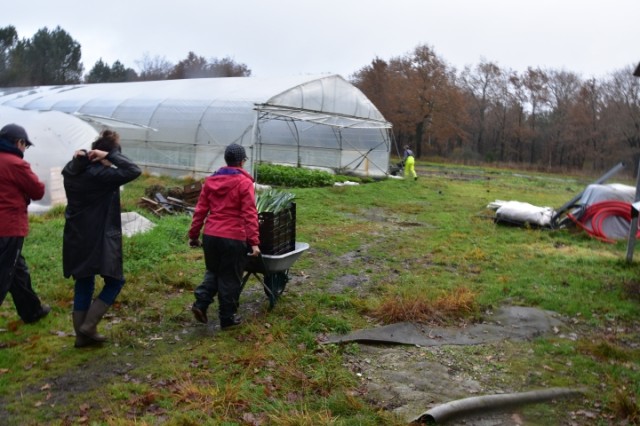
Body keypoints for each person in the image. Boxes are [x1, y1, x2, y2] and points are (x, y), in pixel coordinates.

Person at [61, 129, 141, 347]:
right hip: (98, 236)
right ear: (104, 155)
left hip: (76, 236)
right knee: (116, 281)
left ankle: (81, 337)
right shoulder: (102, 176)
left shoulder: (72, 171)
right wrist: (110, 156)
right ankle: (89, 325)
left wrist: (82, 157)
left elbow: (74, 166)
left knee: (84, 281)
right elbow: (134, 170)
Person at [188, 143, 260, 329]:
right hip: (233, 237)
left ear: (226, 160)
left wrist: (194, 235)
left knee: (214, 271)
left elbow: (200, 211)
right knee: (230, 277)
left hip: (211, 235)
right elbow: (249, 214)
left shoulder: (210, 181)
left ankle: (201, 304)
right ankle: (227, 318)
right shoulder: (244, 183)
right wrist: (254, 242)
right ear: (242, 162)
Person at [0, 124, 51, 324]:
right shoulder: (15, 164)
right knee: (4, 274)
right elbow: (37, 191)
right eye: (25, 145)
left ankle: (31, 311)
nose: (24, 149)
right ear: (19, 142)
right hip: (8, 228)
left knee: (17, 270)